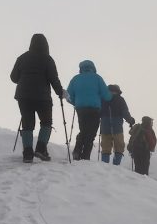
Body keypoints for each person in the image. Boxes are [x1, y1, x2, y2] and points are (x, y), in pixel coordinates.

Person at [10, 34, 63, 163]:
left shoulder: (22, 58)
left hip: (23, 96)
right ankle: (41, 149)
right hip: (42, 97)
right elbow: (53, 78)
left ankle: (27, 153)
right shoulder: (48, 59)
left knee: (27, 123)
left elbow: (13, 77)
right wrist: (60, 92)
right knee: (46, 122)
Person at [66, 60, 112, 160]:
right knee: (91, 133)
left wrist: (76, 102)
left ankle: (77, 151)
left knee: (83, 129)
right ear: (93, 68)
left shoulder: (75, 79)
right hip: (94, 109)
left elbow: (68, 96)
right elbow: (107, 96)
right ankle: (85, 155)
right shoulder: (97, 78)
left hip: (80, 109)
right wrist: (108, 96)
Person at [99, 84, 134, 165]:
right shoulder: (120, 99)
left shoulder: (103, 99)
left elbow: (98, 112)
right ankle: (116, 166)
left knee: (105, 148)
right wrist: (131, 120)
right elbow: (125, 113)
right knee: (119, 147)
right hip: (117, 127)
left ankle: (105, 166)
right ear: (117, 91)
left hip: (105, 127)